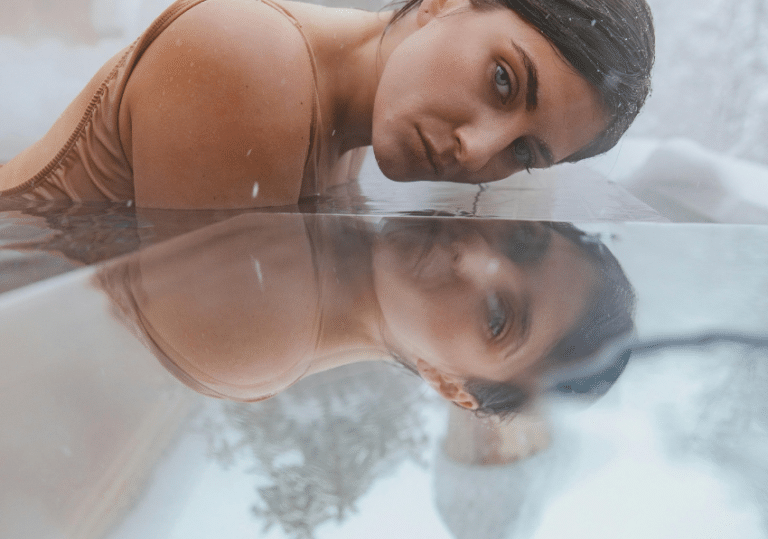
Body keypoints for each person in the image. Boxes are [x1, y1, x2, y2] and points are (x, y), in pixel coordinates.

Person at [0, 0, 654, 209]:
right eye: (504, 81)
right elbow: (226, 357)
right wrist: (430, 348)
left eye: (522, 151)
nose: (478, 149)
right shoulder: (250, 54)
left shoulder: (343, 142)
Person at [98, 214, 636, 416]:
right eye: (520, 238)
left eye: (497, 318)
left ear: (450, 384)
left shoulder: (261, 320)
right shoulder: (332, 220)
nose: (474, 255)